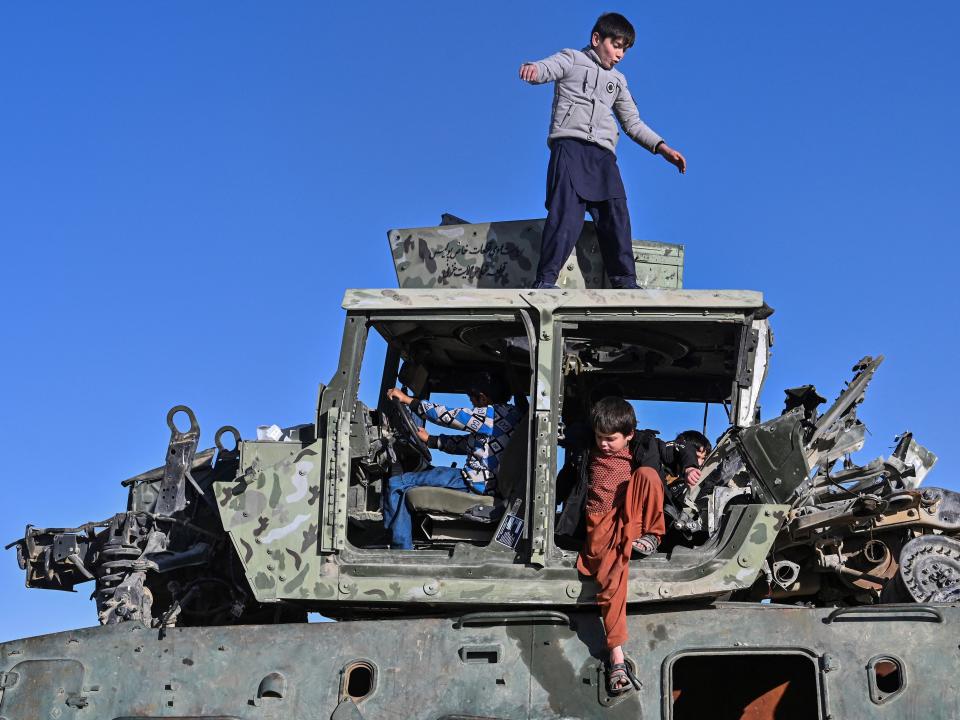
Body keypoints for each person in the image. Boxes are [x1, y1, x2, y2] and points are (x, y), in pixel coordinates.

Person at [518, 12, 687, 290]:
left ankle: (625, 282)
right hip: (570, 148)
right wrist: (533, 69)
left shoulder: (618, 81)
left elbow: (632, 122)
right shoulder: (572, 58)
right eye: (616, 45)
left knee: (616, 213)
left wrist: (661, 147)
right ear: (597, 39)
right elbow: (548, 68)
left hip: (603, 157)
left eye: (625, 49)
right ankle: (546, 280)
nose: (620, 54)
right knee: (566, 216)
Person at [575, 397, 700, 694]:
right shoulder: (586, 448)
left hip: (630, 518)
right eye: (600, 438)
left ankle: (653, 537)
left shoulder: (644, 444)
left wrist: (690, 467)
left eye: (611, 439)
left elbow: (683, 447)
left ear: (629, 434)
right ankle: (616, 651)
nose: (604, 444)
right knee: (609, 579)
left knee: (647, 474)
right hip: (600, 523)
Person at [382, 373, 523, 550]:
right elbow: (471, 445)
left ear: (483, 397)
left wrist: (409, 401)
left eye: (473, 401)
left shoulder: (491, 414)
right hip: (492, 483)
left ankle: (398, 550)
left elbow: (449, 416)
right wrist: (431, 440)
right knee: (426, 475)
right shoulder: (512, 415)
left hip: (475, 482)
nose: (472, 406)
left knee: (397, 483)